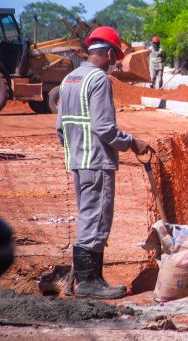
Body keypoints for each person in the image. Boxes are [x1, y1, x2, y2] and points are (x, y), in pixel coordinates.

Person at [56, 26, 152, 299]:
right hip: (96, 162)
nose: (115, 64)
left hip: (78, 161)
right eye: (115, 58)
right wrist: (132, 142)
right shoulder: (97, 80)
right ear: (109, 53)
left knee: (89, 217)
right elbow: (105, 128)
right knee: (96, 219)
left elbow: (61, 128)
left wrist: (77, 152)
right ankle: (89, 283)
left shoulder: (69, 80)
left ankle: (92, 278)